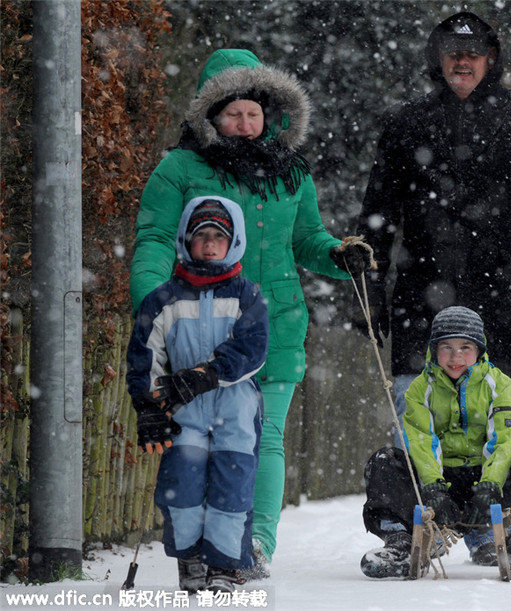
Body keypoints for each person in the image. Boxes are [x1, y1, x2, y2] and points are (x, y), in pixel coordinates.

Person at [130, 49, 373, 579]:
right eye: (231, 112)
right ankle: (197, 549)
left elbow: (306, 239)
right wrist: (152, 306)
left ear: (270, 114)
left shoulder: (292, 175)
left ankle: (254, 546)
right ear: (210, 114)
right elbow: (152, 239)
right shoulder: (179, 169)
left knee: (261, 441)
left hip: (276, 326)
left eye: (252, 113)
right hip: (198, 329)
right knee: (199, 442)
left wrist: (338, 256)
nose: (243, 124)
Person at [355, 11, 511, 435]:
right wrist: (368, 284)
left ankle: (492, 502)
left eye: (473, 53)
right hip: (422, 298)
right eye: (451, 53)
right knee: (418, 434)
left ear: (491, 57)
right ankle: (424, 503)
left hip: (502, 295)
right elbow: (380, 211)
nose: (461, 62)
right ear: (436, 57)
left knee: (498, 437)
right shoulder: (405, 122)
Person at [360, 306, 511, 578]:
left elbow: (504, 438)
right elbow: (422, 440)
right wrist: (434, 486)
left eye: (465, 347)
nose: (455, 356)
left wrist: (490, 484)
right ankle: (400, 539)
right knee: (385, 460)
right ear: (434, 351)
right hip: (439, 482)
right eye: (446, 347)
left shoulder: (498, 383)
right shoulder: (420, 389)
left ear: (479, 350)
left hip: (486, 481)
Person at [126, 196, 268, 594]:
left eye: (218, 236)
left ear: (233, 241)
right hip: (182, 409)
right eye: (201, 235)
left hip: (236, 407)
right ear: (186, 241)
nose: (209, 244)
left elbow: (252, 349)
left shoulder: (246, 295)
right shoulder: (164, 300)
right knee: (182, 485)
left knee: (232, 486)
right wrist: (149, 407)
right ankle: (189, 560)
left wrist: (207, 375)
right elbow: (144, 358)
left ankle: (223, 567)